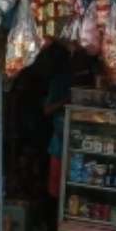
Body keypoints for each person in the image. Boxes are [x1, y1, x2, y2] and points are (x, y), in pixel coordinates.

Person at [43, 43, 73, 199]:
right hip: (59, 142)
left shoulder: (71, 78)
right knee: (57, 187)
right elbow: (47, 110)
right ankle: (54, 219)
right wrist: (66, 101)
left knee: (67, 184)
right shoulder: (58, 80)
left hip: (70, 142)